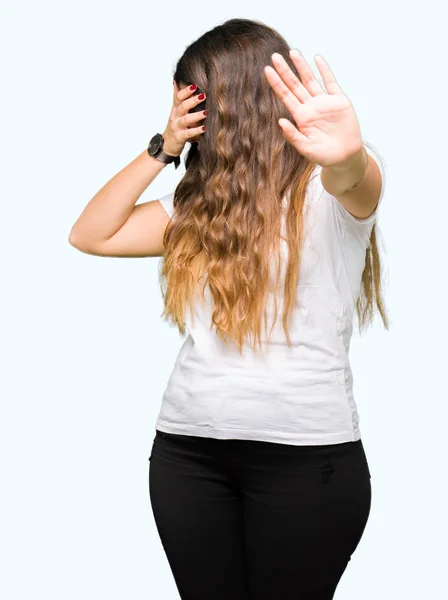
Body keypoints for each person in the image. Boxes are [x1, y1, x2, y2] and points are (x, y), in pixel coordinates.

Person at [69, 17, 388, 600]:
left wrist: (348, 154)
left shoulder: (326, 194)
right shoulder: (194, 210)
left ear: (238, 106)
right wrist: (160, 149)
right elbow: (91, 234)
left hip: (306, 464)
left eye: (198, 102)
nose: (194, 120)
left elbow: (357, 181)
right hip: (187, 457)